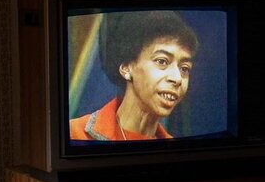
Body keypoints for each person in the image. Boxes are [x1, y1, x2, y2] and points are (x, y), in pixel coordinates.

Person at [70, 10, 199, 141]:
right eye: (162, 61)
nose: (177, 79)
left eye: (184, 69)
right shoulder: (74, 133)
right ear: (126, 68)